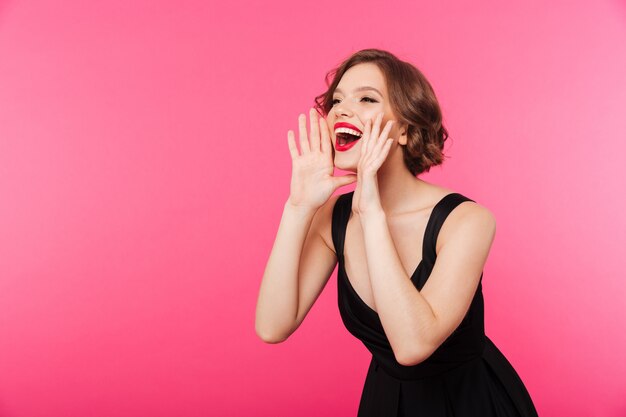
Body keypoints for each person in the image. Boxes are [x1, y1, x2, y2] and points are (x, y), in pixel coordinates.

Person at [255, 48, 538, 416]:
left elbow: (411, 346)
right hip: (386, 403)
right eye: (337, 100)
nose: (340, 109)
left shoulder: (468, 220)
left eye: (367, 98)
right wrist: (298, 208)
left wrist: (372, 214)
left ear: (404, 130)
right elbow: (272, 326)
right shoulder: (332, 217)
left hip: (470, 403)